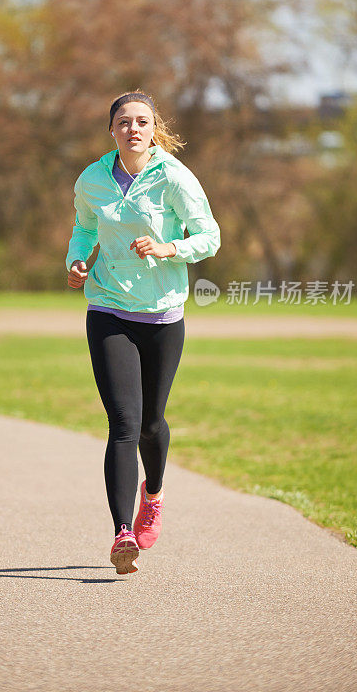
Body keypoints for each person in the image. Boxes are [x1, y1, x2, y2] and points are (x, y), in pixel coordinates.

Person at [65, 90, 220, 575]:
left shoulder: (174, 177)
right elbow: (84, 227)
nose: (133, 128)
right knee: (123, 424)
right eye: (124, 121)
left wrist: (167, 247)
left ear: (154, 129)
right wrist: (77, 258)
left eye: (142, 121)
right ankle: (122, 534)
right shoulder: (92, 179)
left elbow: (209, 236)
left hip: (161, 315)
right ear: (111, 129)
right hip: (108, 308)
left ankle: (152, 496)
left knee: (151, 423)